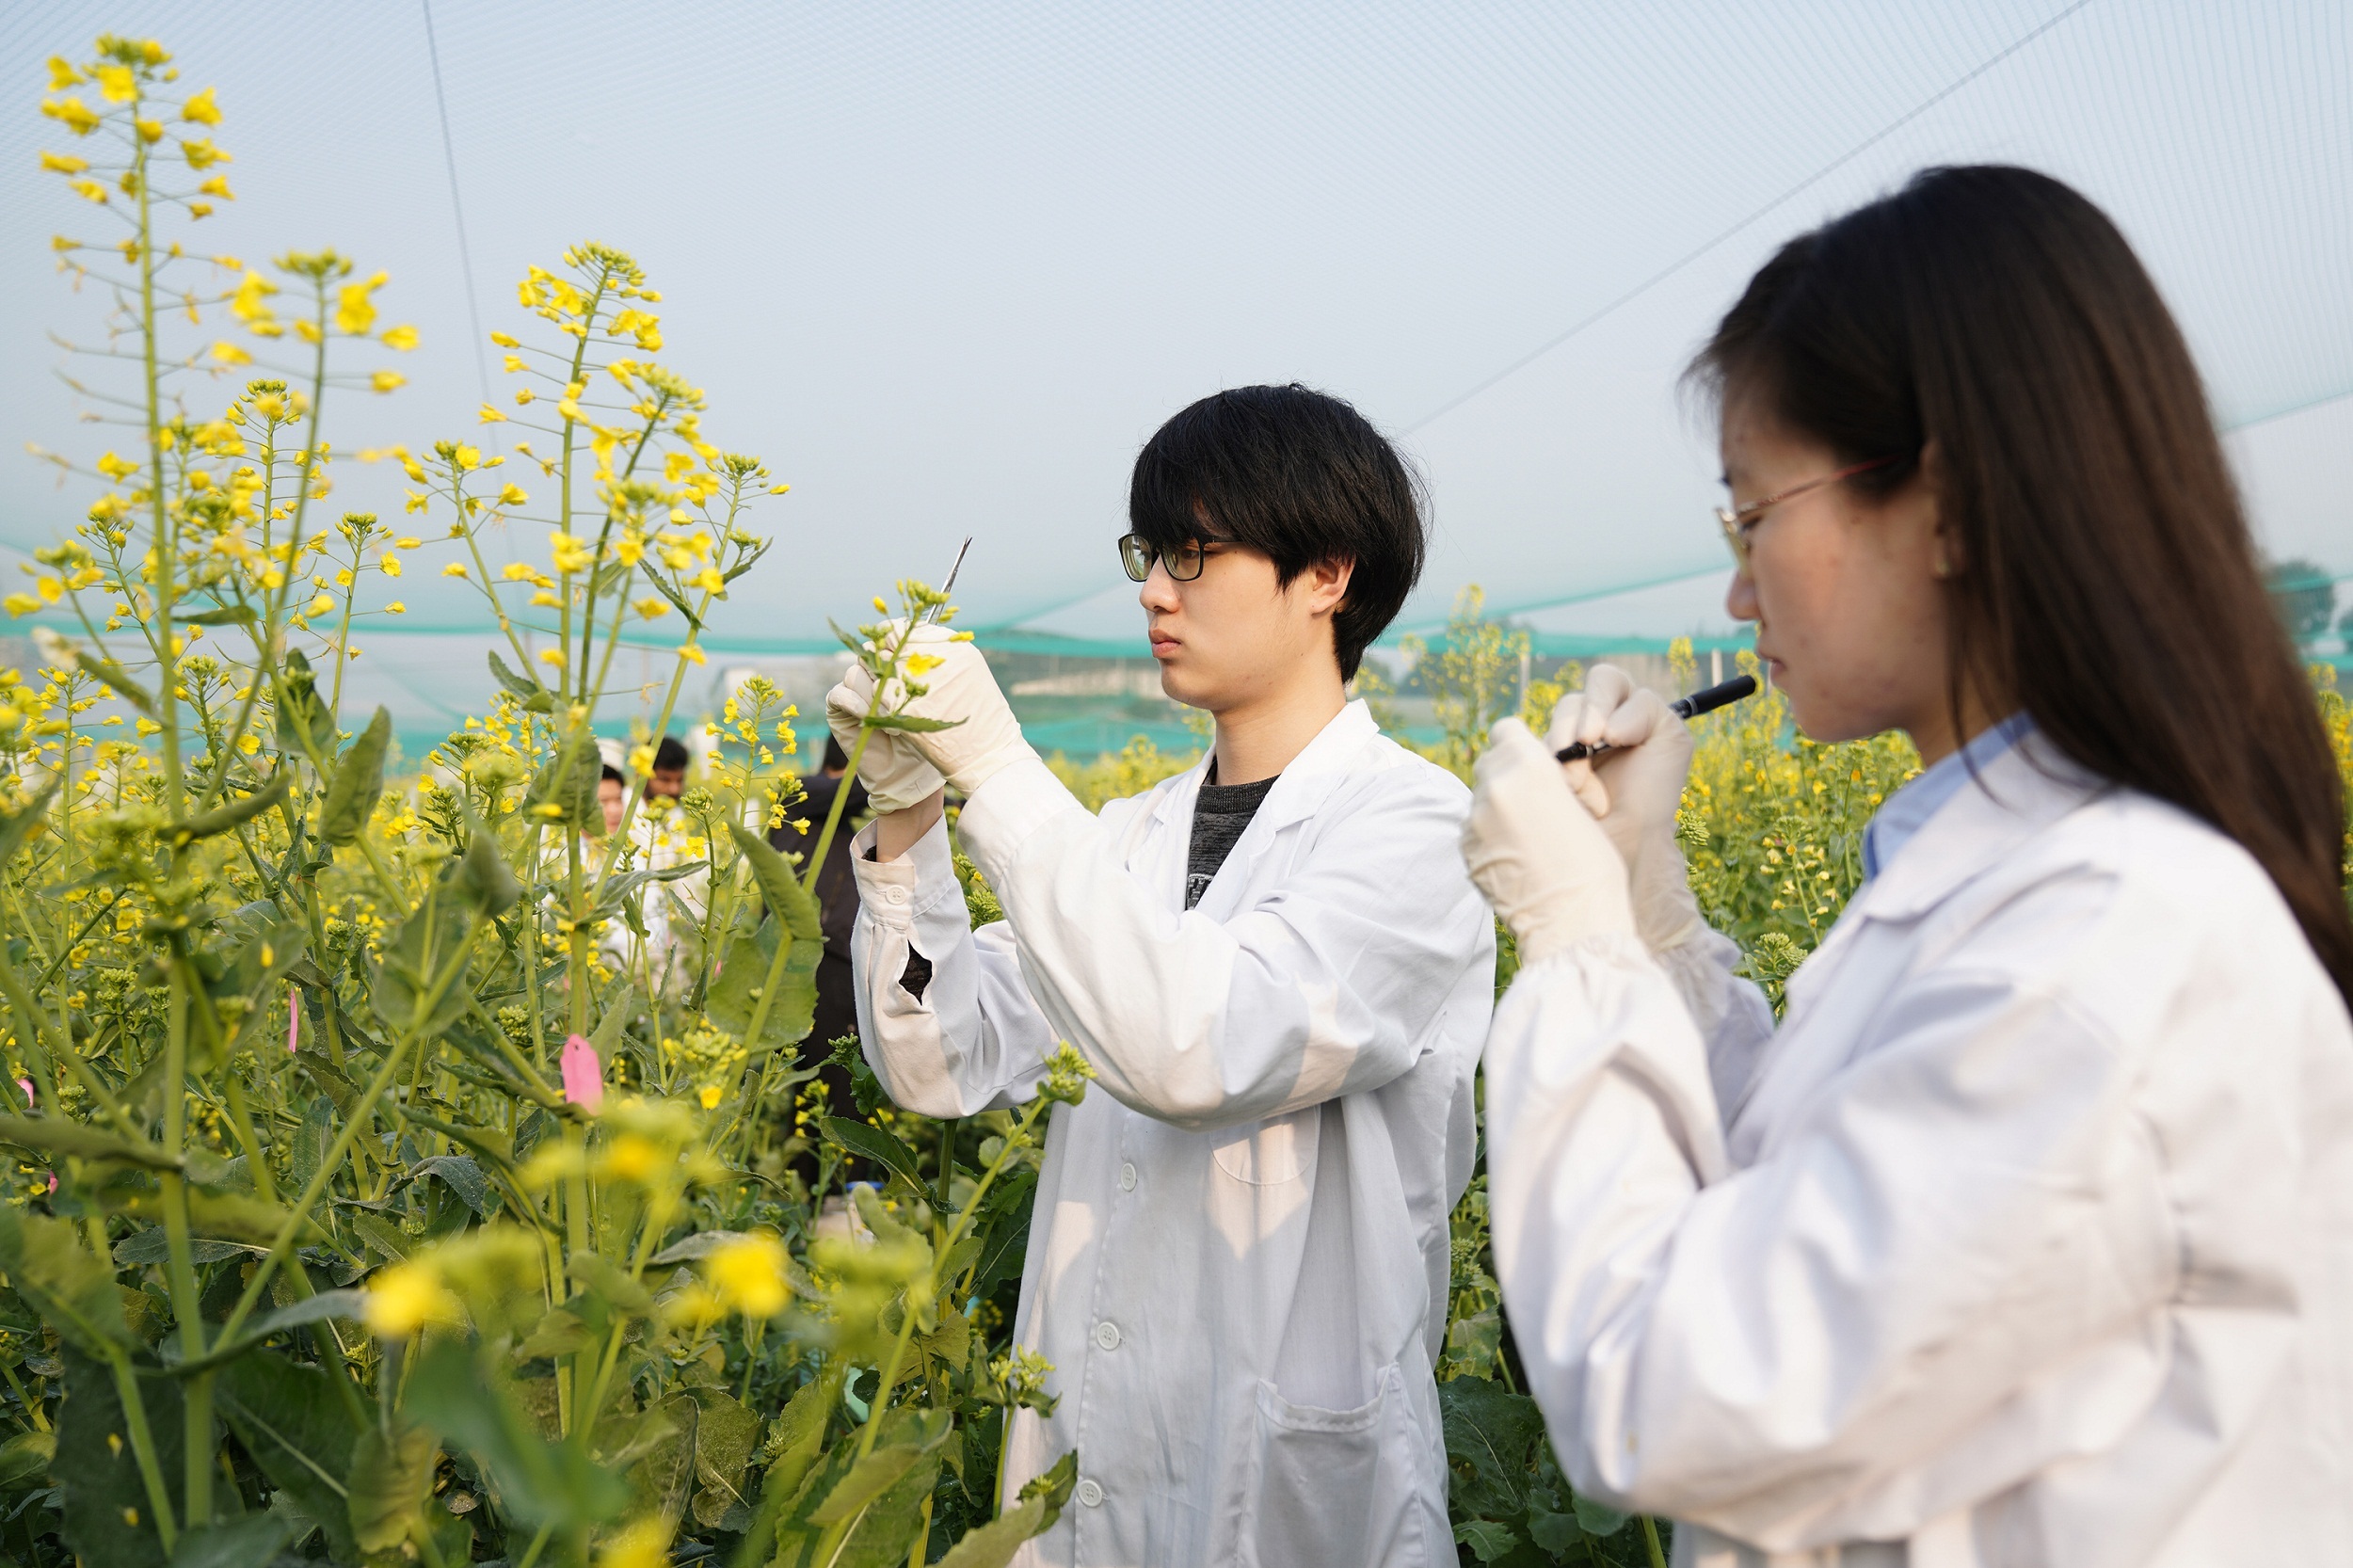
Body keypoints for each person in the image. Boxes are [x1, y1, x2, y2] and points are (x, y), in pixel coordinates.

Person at [1460, 165, 2353, 1566]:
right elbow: (1807, 1196)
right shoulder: (2019, 886)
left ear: (1946, 504)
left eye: (1750, 515)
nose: (1740, 590)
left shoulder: (2111, 933)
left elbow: (1678, 1397)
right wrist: (1648, 903)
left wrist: (1576, 951)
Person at [828, 384, 1495, 1566]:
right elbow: (943, 1061)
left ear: (1327, 575)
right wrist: (908, 815)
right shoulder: (1127, 836)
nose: (1151, 591)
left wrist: (996, 764)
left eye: (1194, 554)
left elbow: (1197, 1041)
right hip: (1089, 1469)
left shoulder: (1419, 832)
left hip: (1294, 1496)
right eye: (1150, 554)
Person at [770, 734, 869, 1111]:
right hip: (816, 964)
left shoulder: (840, 819)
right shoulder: (800, 795)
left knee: (841, 1083)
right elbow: (861, 790)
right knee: (830, 1089)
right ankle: (832, 1167)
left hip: (832, 963)